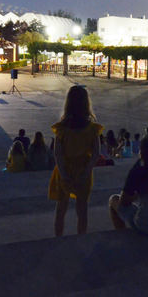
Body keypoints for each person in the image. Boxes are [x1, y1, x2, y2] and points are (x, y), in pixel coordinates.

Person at [48, 85, 103, 236]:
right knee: (82, 209)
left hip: (65, 169)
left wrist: (64, 173)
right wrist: (86, 171)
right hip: (83, 169)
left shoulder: (61, 128)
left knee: (61, 209)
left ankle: (58, 237)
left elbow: (57, 154)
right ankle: (81, 237)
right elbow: (96, 153)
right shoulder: (92, 129)